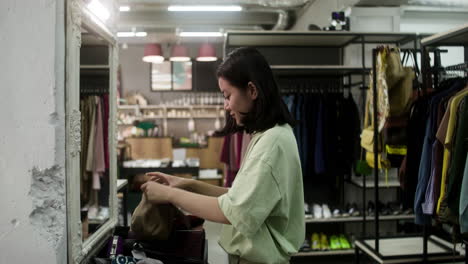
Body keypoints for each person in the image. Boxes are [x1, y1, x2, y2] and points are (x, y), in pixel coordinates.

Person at [141, 47, 305, 264]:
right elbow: (241, 198)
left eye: (228, 96)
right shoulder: (272, 134)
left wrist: (168, 195)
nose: (226, 105)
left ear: (252, 91)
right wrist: (187, 184)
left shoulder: (271, 143)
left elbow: (232, 211)